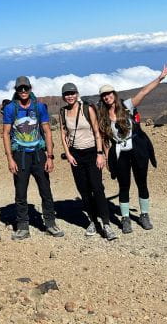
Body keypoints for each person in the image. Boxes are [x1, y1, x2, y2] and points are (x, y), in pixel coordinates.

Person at [96, 65, 167, 234]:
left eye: (109, 93)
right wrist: (106, 158)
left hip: (137, 148)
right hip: (119, 152)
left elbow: (144, 92)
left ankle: (144, 215)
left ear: (114, 94)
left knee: (141, 182)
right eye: (104, 95)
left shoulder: (127, 105)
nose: (107, 97)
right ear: (102, 98)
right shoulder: (103, 117)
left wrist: (160, 78)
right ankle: (125, 218)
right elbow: (105, 140)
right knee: (124, 185)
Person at [2, 76, 64, 240]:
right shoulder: (10, 109)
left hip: (38, 154)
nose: (23, 91)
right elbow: (6, 133)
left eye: (26, 88)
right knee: (20, 192)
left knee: (45, 190)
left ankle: (50, 224)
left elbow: (47, 131)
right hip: (20, 155)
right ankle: (23, 227)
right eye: (20, 88)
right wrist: (10, 158)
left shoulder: (39, 107)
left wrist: (50, 156)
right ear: (16, 90)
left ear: (30, 88)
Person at [58, 82, 117, 240]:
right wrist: (68, 154)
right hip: (75, 154)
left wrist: (100, 153)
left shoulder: (87, 109)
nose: (70, 96)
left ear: (77, 94)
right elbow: (63, 134)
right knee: (83, 190)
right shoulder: (63, 112)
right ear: (63, 97)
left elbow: (97, 132)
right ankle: (93, 221)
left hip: (91, 152)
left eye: (72, 93)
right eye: (67, 94)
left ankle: (106, 224)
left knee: (97, 188)